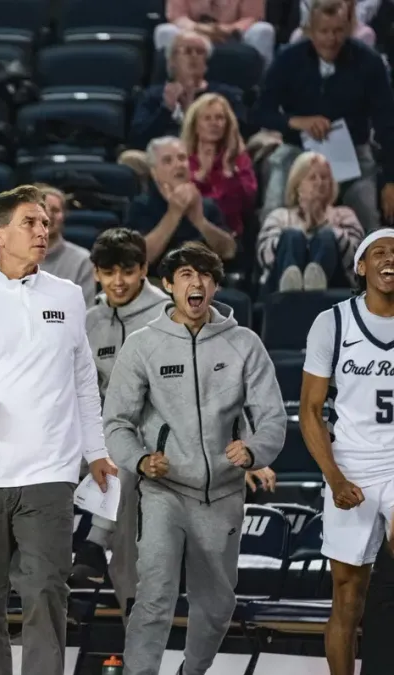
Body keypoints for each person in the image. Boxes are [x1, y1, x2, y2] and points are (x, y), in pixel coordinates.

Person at [0, 185, 114, 675]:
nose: (43, 229)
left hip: (48, 472)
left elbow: (83, 379)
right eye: (30, 222)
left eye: (45, 221)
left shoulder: (70, 296)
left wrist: (96, 450)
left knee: (46, 590)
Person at [103, 242, 286, 675]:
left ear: (216, 285)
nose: (196, 282)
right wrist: (142, 460)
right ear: (167, 285)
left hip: (223, 493)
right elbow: (116, 423)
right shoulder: (143, 345)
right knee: (156, 593)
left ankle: (193, 671)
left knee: (217, 604)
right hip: (163, 491)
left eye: (204, 275)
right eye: (185, 274)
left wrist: (255, 450)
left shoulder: (245, 343)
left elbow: (273, 418)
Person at [299, 228, 394, 675]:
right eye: (379, 251)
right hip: (351, 465)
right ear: (361, 266)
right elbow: (310, 410)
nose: (390, 258)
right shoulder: (333, 323)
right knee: (347, 596)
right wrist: (334, 477)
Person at [72, 228, 168, 595]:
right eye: (109, 272)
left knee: (125, 446)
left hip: (153, 431)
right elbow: (84, 389)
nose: (118, 281)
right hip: (100, 430)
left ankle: (96, 543)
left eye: (127, 271)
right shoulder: (90, 320)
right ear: (96, 273)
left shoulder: (165, 315)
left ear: (144, 269)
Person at [255, 0, 394, 232]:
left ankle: (372, 266)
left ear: (349, 29)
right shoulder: (288, 60)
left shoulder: (369, 63)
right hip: (297, 149)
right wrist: (296, 122)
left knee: (367, 212)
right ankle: (270, 265)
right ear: (309, 30)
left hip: (353, 152)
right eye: (324, 31)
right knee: (274, 208)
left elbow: (387, 124)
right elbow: (259, 113)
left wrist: (390, 179)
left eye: (338, 31)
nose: (331, 39)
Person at [257, 150, 364, 294]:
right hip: (279, 289)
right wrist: (304, 226)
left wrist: (321, 220)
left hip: (333, 287)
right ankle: (291, 287)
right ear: (298, 185)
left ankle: (315, 286)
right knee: (292, 236)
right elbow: (265, 257)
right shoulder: (279, 216)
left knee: (326, 237)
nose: (319, 183)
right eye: (312, 177)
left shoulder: (345, 215)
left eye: (325, 177)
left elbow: (356, 260)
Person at [126, 136, 235, 268]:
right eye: (168, 161)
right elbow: (139, 259)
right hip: (160, 283)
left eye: (182, 158)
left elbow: (229, 252)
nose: (178, 165)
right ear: (154, 172)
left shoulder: (207, 205)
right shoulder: (141, 205)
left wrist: (200, 222)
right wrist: (173, 215)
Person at [182, 92, 255, 240]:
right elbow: (183, 204)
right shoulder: (182, 158)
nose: (214, 123)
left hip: (228, 235)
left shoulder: (239, 159)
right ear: (195, 125)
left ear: (227, 124)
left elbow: (247, 203)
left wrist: (229, 172)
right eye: (207, 118)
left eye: (219, 118)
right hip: (190, 233)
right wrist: (201, 175)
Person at [37, 184, 95, 305]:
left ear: (64, 216)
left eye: (55, 210)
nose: (48, 216)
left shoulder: (82, 260)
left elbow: (86, 311)